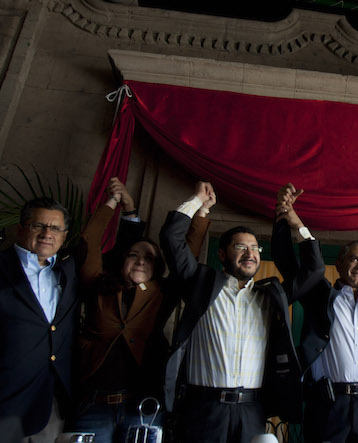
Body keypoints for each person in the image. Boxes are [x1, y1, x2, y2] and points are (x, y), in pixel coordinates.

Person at [160, 182, 321, 443]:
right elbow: (171, 238)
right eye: (240, 248)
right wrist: (197, 200)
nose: (250, 254)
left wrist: (295, 223)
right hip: (202, 409)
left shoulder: (270, 297)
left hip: (252, 411)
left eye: (255, 248)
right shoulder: (200, 285)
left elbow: (313, 271)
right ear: (222, 254)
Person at [271, 183, 358, 443]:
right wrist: (285, 218)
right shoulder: (321, 295)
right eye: (354, 259)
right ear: (339, 263)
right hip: (328, 404)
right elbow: (288, 262)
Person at [70, 177, 209, 442]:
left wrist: (201, 211)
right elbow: (89, 240)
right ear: (123, 260)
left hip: (143, 406)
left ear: (156, 268)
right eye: (134, 254)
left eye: (149, 258)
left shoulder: (162, 294)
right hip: (93, 405)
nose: (141, 261)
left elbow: (186, 254)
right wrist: (114, 201)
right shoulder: (97, 284)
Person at [0, 197, 79, 442]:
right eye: (39, 226)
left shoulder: (68, 271)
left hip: (49, 406)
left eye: (55, 228)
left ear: (64, 236)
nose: (47, 234)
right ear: (22, 228)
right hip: (5, 402)